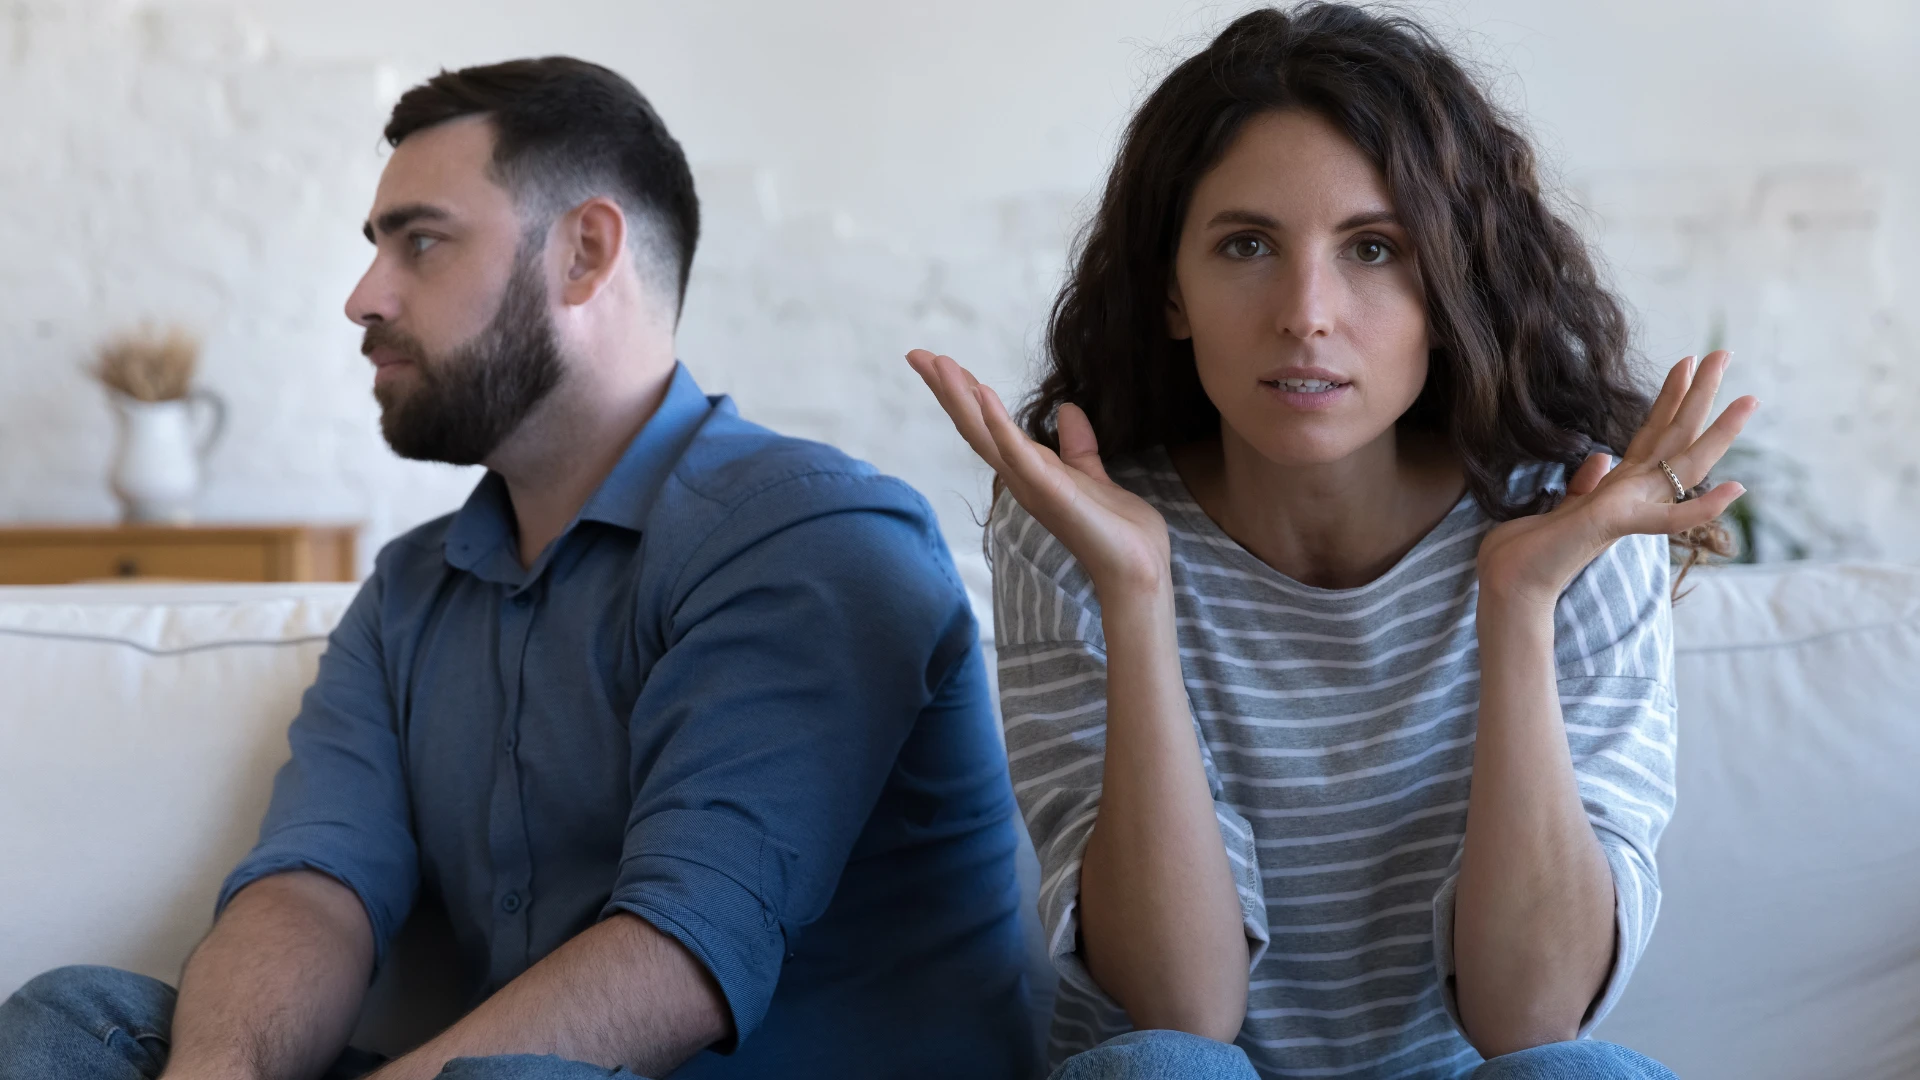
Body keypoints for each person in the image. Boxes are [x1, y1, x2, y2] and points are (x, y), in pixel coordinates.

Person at [0, 57, 1034, 1080]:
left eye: (421, 242)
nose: (363, 297)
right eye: (376, 248)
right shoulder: (413, 590)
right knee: (79, 1019)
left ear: (584, 252)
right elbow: (314, 888)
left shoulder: (811, 538)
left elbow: (680, 956)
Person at [909, 4, 1754, 1078]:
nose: (1307, 312)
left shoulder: (1577, 519)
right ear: (1174, 289)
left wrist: (1519, 603)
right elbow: (1180, 1007)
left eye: (1373, 250)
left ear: (1447, 290)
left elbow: (1532, 1015)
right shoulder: (1080, 524)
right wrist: (1135, 586)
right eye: (1248, 244)